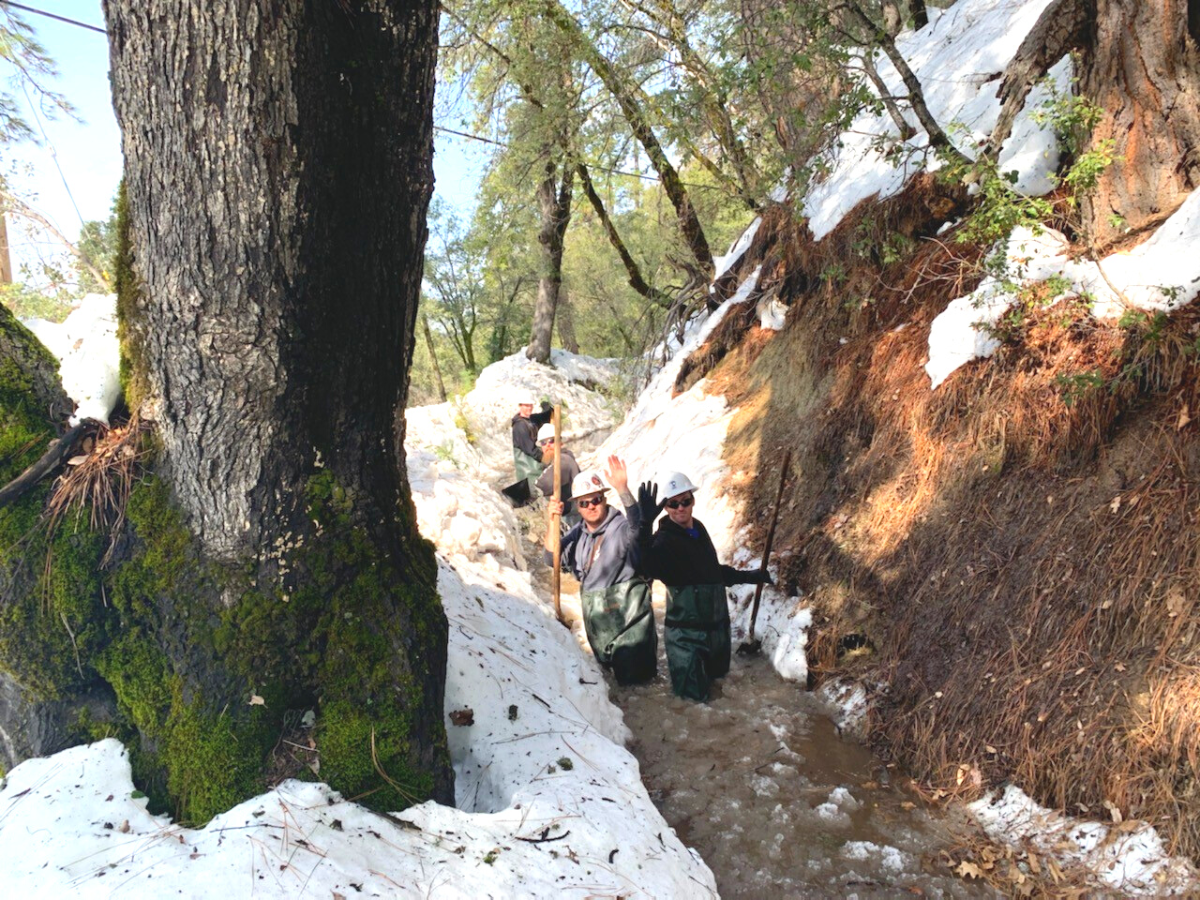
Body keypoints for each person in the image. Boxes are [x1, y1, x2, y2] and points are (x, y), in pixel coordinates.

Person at [637, 472, 769, 702]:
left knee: (720, 689)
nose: (681, 508)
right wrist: (644, 528)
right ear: (666, 508)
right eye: (673, 503)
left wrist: (749, 577)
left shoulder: (698, 529)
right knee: (692, 703)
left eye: (685, 501)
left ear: (693, 500)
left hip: (716, 630)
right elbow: (647, 567)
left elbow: (711, 573)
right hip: (686, 636)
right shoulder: (663, 540)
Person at [545, 456, 656, 685]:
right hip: (598, 628)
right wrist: (552, 521)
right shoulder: (577, 534)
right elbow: (551, 558)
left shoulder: (621, 527)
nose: (591, 506)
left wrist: (624, 490)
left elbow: (639, 533)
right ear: (577, 506)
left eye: (595, 499)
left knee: (637, 690)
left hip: (630, 626)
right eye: (584, 503)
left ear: (604, 499)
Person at [534, 423, 582, 527]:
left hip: (574, 520)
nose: (547, 446)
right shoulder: (558, 460)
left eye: (551, 441)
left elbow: (542, 486)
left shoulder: (562, 461)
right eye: (543, 442)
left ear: (560, 442)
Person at [512, 396, 553, 488]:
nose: (529, 408)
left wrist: (547, 407)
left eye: (530, 405)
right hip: (527, 471)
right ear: (520, 406)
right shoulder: (519, 426)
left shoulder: (531, 420)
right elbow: (530, 450)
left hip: (534, 469)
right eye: (526, 406)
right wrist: (545, 459)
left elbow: (543, 417)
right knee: (534, 490)